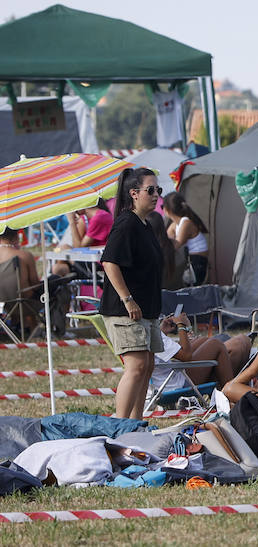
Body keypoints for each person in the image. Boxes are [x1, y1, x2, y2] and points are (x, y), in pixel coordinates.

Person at [100, 168, 165, 419]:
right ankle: (120, 423)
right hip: (125, 309)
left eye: (158, 190)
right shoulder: (126, 223)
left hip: (146, 310)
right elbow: (109, 263)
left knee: (147, 367)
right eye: (151, 190)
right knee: (136, 366)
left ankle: (136, 423)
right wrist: (128, 299)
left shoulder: (144, 224)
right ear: (134, 194)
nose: (156, 194)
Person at [154, 312, 238, 387]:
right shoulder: (151, 332)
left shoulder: (144, 329)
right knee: (216, 344)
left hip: (160, 381)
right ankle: (229, 394)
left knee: (203, 340)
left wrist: (162, 332)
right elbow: (186, 356)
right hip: (172, 384)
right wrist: (181, 325)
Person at [51, 200, 113, 276]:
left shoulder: (99, 217)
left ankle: (59, 271)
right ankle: (58, 266)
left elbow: (78, 248)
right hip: (94, 259)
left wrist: (72, 222)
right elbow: (77, 246)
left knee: (62, 249)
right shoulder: (93, 217)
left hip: (98, 264)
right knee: (60, 253)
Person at [162, 192, 210, 285]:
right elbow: (166, 239)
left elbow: (177, 244)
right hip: (193, 260)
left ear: (167, 210)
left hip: (198, 261)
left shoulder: (186, 223)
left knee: (194, 289)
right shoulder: (175, 224)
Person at [0, 228, 41, 335]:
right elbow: (35, 284)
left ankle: (16, 325)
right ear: (16, 237)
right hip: (23, 303)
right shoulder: (24, 256)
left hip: (2, 304)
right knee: (28, 292)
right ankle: (34, 329)